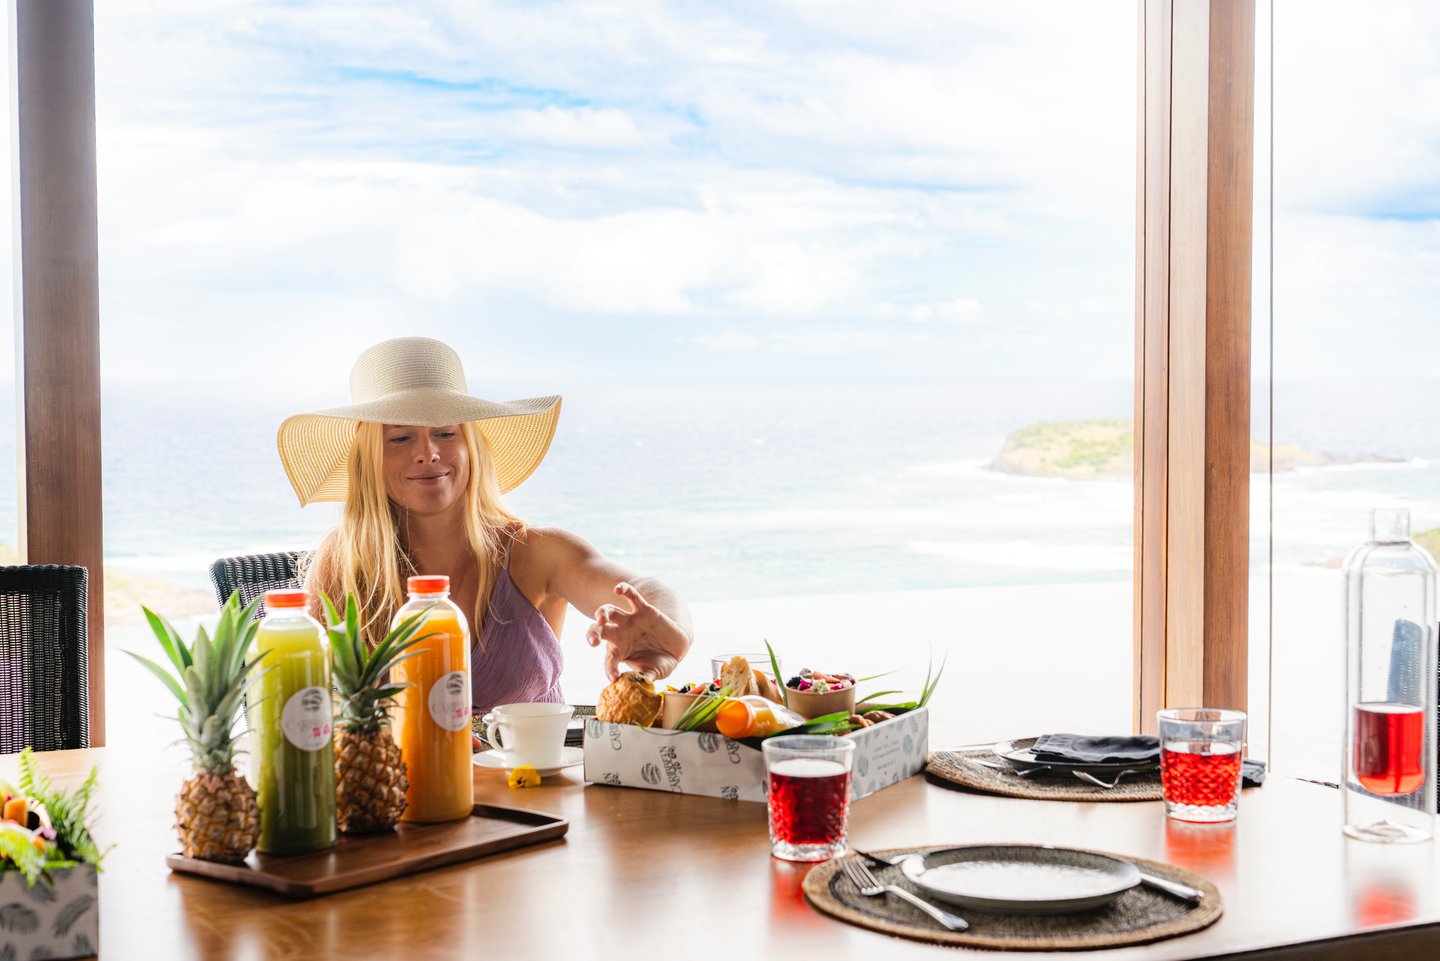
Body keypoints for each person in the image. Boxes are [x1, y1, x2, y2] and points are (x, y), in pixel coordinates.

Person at [276, 336, 693, 714]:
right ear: (369, 459)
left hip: (535, 776)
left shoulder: (537, 553)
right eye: (400, 438)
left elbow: (645, 589)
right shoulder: (342, 563)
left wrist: (667, 630)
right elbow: (308, 703)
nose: (428, 453)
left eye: (445, 433)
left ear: (470, 446)